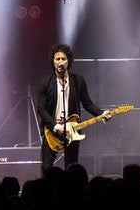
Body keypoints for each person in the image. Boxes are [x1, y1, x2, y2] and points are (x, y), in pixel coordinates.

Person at [36, 43, 111, 177]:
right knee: (47, 167)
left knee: (71, 167)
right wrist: (55, 126)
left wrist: (101, 113)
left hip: (73, 128)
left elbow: (87, 103)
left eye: (63, 59)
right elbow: (41, 109)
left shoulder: (78, 80)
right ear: (53, 61)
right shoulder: (45, 82)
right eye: (57, 59)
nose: (60, 62)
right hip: (52, 129)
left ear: (68, 61)